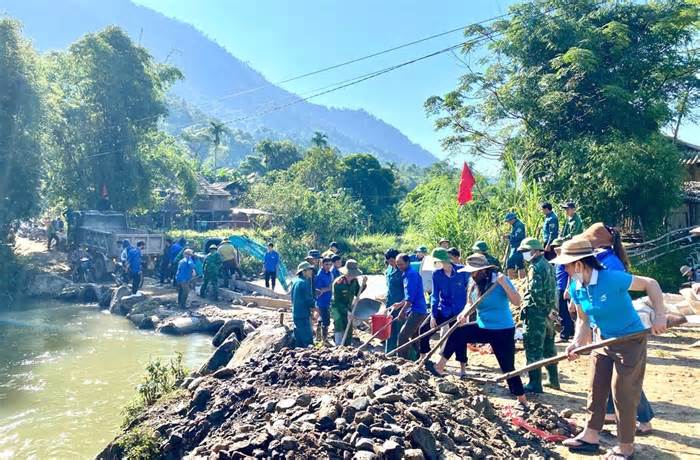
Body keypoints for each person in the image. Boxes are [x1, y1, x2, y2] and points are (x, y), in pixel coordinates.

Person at [555, 239, 666, 459]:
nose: (564, 269)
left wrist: (660, 315)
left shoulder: (611, 278)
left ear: (578, 264)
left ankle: (625, 446)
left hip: (629, 341)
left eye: (566, 265)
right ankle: (590, 435)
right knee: (595, 389)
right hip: (602, 340)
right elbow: (584, 321)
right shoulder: (577, 287)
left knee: (623, 392)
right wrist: (577, 342)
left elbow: (650, 283)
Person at [580, 223, 656, 437]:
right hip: (604, 328)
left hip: (623, 331)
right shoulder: (601, 260)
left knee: (626, 383)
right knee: (607, 379)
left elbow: (614, 294)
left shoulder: (610, 264)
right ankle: (610, 415)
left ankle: (644, 420)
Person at [436, 254, 527, 405]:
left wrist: (503, 283)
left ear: (484, 270)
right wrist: (463, 314)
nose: (472, 274)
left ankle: (522, 399)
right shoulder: (473, 282)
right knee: (458, 332)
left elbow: (517, 302)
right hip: (483, 326)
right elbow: (469, 303)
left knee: (507, 367)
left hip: (502, 329)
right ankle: (439, 366)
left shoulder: (499, 279)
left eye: (474, 271)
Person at [517, 237, 559, 393]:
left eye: (525, 251)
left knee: (533, 347)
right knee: (549, 346)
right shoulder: (548, 265)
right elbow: (552, 290)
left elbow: (536, 292)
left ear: (534, 251)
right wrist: (551, 310)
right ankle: (553, 380)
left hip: (536, 313)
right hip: (549, 312)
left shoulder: (535, 267)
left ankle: (535, 383)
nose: (523, 254)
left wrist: (543, 310)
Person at [420, 248, 468, 375]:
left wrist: (467, 310)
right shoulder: (437, 274)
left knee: (459, 338)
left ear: (444, 261)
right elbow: (435, 295)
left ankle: (463, 369)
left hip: (459, 311)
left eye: (437, 262)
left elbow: (470, 288)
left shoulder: (462, 271)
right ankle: (423, 358)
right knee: (424, 329)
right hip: (444, 309)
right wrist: (433, 315)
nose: (436, 265)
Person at [392, 253, 429, 360]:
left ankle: (401, 361)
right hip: (417, 309)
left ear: (408, 262)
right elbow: (410, 295)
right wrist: (400, 304)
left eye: (401, 264)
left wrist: (402, 311)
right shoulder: (407, 274)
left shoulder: (411, 275)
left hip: (417, 311)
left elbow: (410, 298)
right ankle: (420, 359)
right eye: (398, 265)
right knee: (415, 337)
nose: (400, 267)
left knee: (403, 336)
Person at [330, 259, 367, 346]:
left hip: (349, 307)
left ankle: (347, 346)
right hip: (337, 308)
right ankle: (338, 345)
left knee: (348, 327)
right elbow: (337, 301)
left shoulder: (354, 281)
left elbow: (358, 292)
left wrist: (364, 284)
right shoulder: (338, 283)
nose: (352, 276)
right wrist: (347, 312)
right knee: (339, 325)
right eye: (351, 274)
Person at [550, 238, 574, 341]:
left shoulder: (565, 260)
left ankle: (565, 334)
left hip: (563, 288)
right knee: (562, 311)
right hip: (558, 287)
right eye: (554, 247)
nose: (555, 249)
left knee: (564, 312)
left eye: (557, 246)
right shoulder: (558, 260)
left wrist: (568, 288)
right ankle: (570, 332)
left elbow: (570, 275)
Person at [383, 248, 405, 353]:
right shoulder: (388, 270)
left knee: (401, 329)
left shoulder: (403, 271)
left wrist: (403, 304)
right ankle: (389, 352)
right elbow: (388, 287)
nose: (392, 263)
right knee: (389, 329)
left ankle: (402, 353)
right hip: (391, 303)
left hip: (402, 304)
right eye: (389, 261)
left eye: (393, 261)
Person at [291, 261, 315, 348]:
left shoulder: (295, 282)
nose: (311, 271)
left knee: (299, 338)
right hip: (303, 315)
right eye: (309, 270)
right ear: (303, 271)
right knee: (307, 339)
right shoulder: (304, 283)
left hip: (296, 314)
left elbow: (292, 298)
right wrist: (314, 308)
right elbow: (309, 300)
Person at [314, 257, 334, 342]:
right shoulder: (320, 275)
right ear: (322, 264)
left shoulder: (329, 273)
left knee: (321, 319)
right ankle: (324, 339)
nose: (328, 266)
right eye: (326, 264)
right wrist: (329, 288)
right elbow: (318, 290)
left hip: (327, 299)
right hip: (321, 301)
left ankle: (319, 338)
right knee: (326, 321)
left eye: (330, 264)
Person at [503, 212, 527, 279]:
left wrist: (508, 236)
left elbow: (517, 237)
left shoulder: (519, 225)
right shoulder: (515, 225)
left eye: (509, 221)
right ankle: (522, 279)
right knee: (520, 264)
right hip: (515, 246)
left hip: (518, 246)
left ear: (513, 219)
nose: (508, 223)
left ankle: (510, 280)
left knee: (510, 262)